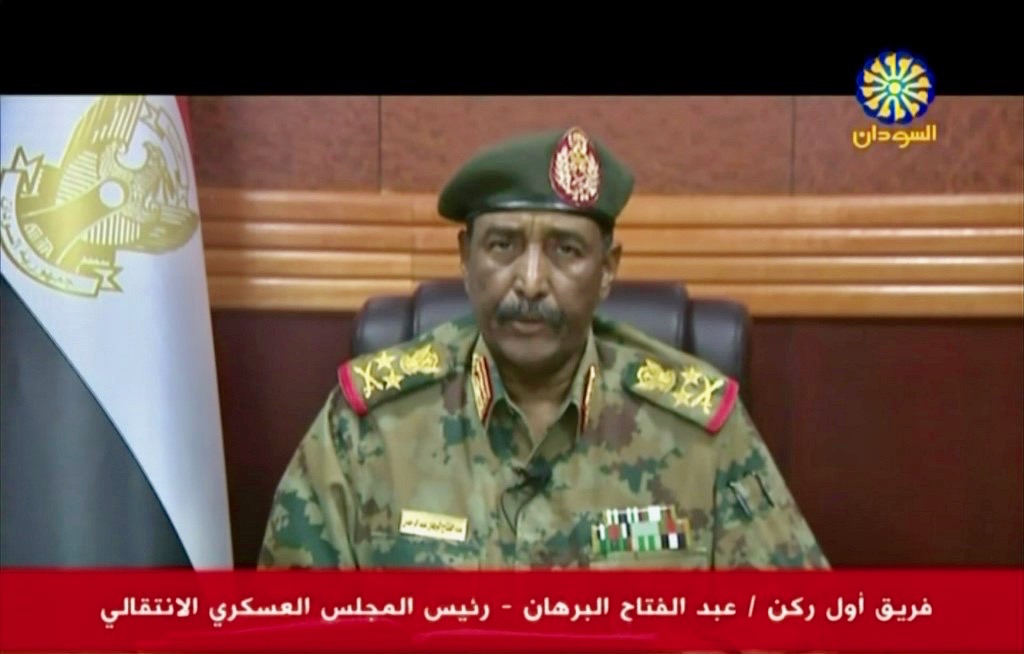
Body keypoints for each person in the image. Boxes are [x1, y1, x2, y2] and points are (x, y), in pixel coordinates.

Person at [258, 127, 828, 570]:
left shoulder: (700, 437)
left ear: (607, 270)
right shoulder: (367, 430)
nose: (530, 282)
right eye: (502, 246)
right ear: (465, 258)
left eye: (566, 250)